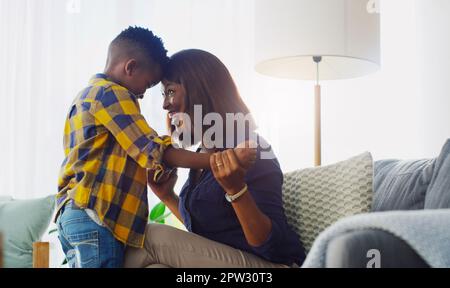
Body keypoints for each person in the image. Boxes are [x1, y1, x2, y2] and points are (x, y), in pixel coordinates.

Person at [56, 28, 254, 268]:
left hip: (73, 212)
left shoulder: (85, 98)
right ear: (130, 67)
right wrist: (223, 159)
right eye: (150, 86)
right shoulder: (113, 95)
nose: (144, 95)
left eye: (169, 92)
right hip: (93, 214)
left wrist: (165, 190)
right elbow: (153, 150)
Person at [124, 49, 306, 268]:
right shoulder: (202, 155)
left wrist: (236, 190)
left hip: (274, 267)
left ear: (200, 90)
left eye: (171, 91)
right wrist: (168, 197)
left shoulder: (250, 148)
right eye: (164, 95)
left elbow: (271, 246)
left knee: (148, 238)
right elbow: (209, 238)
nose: (165, 104)